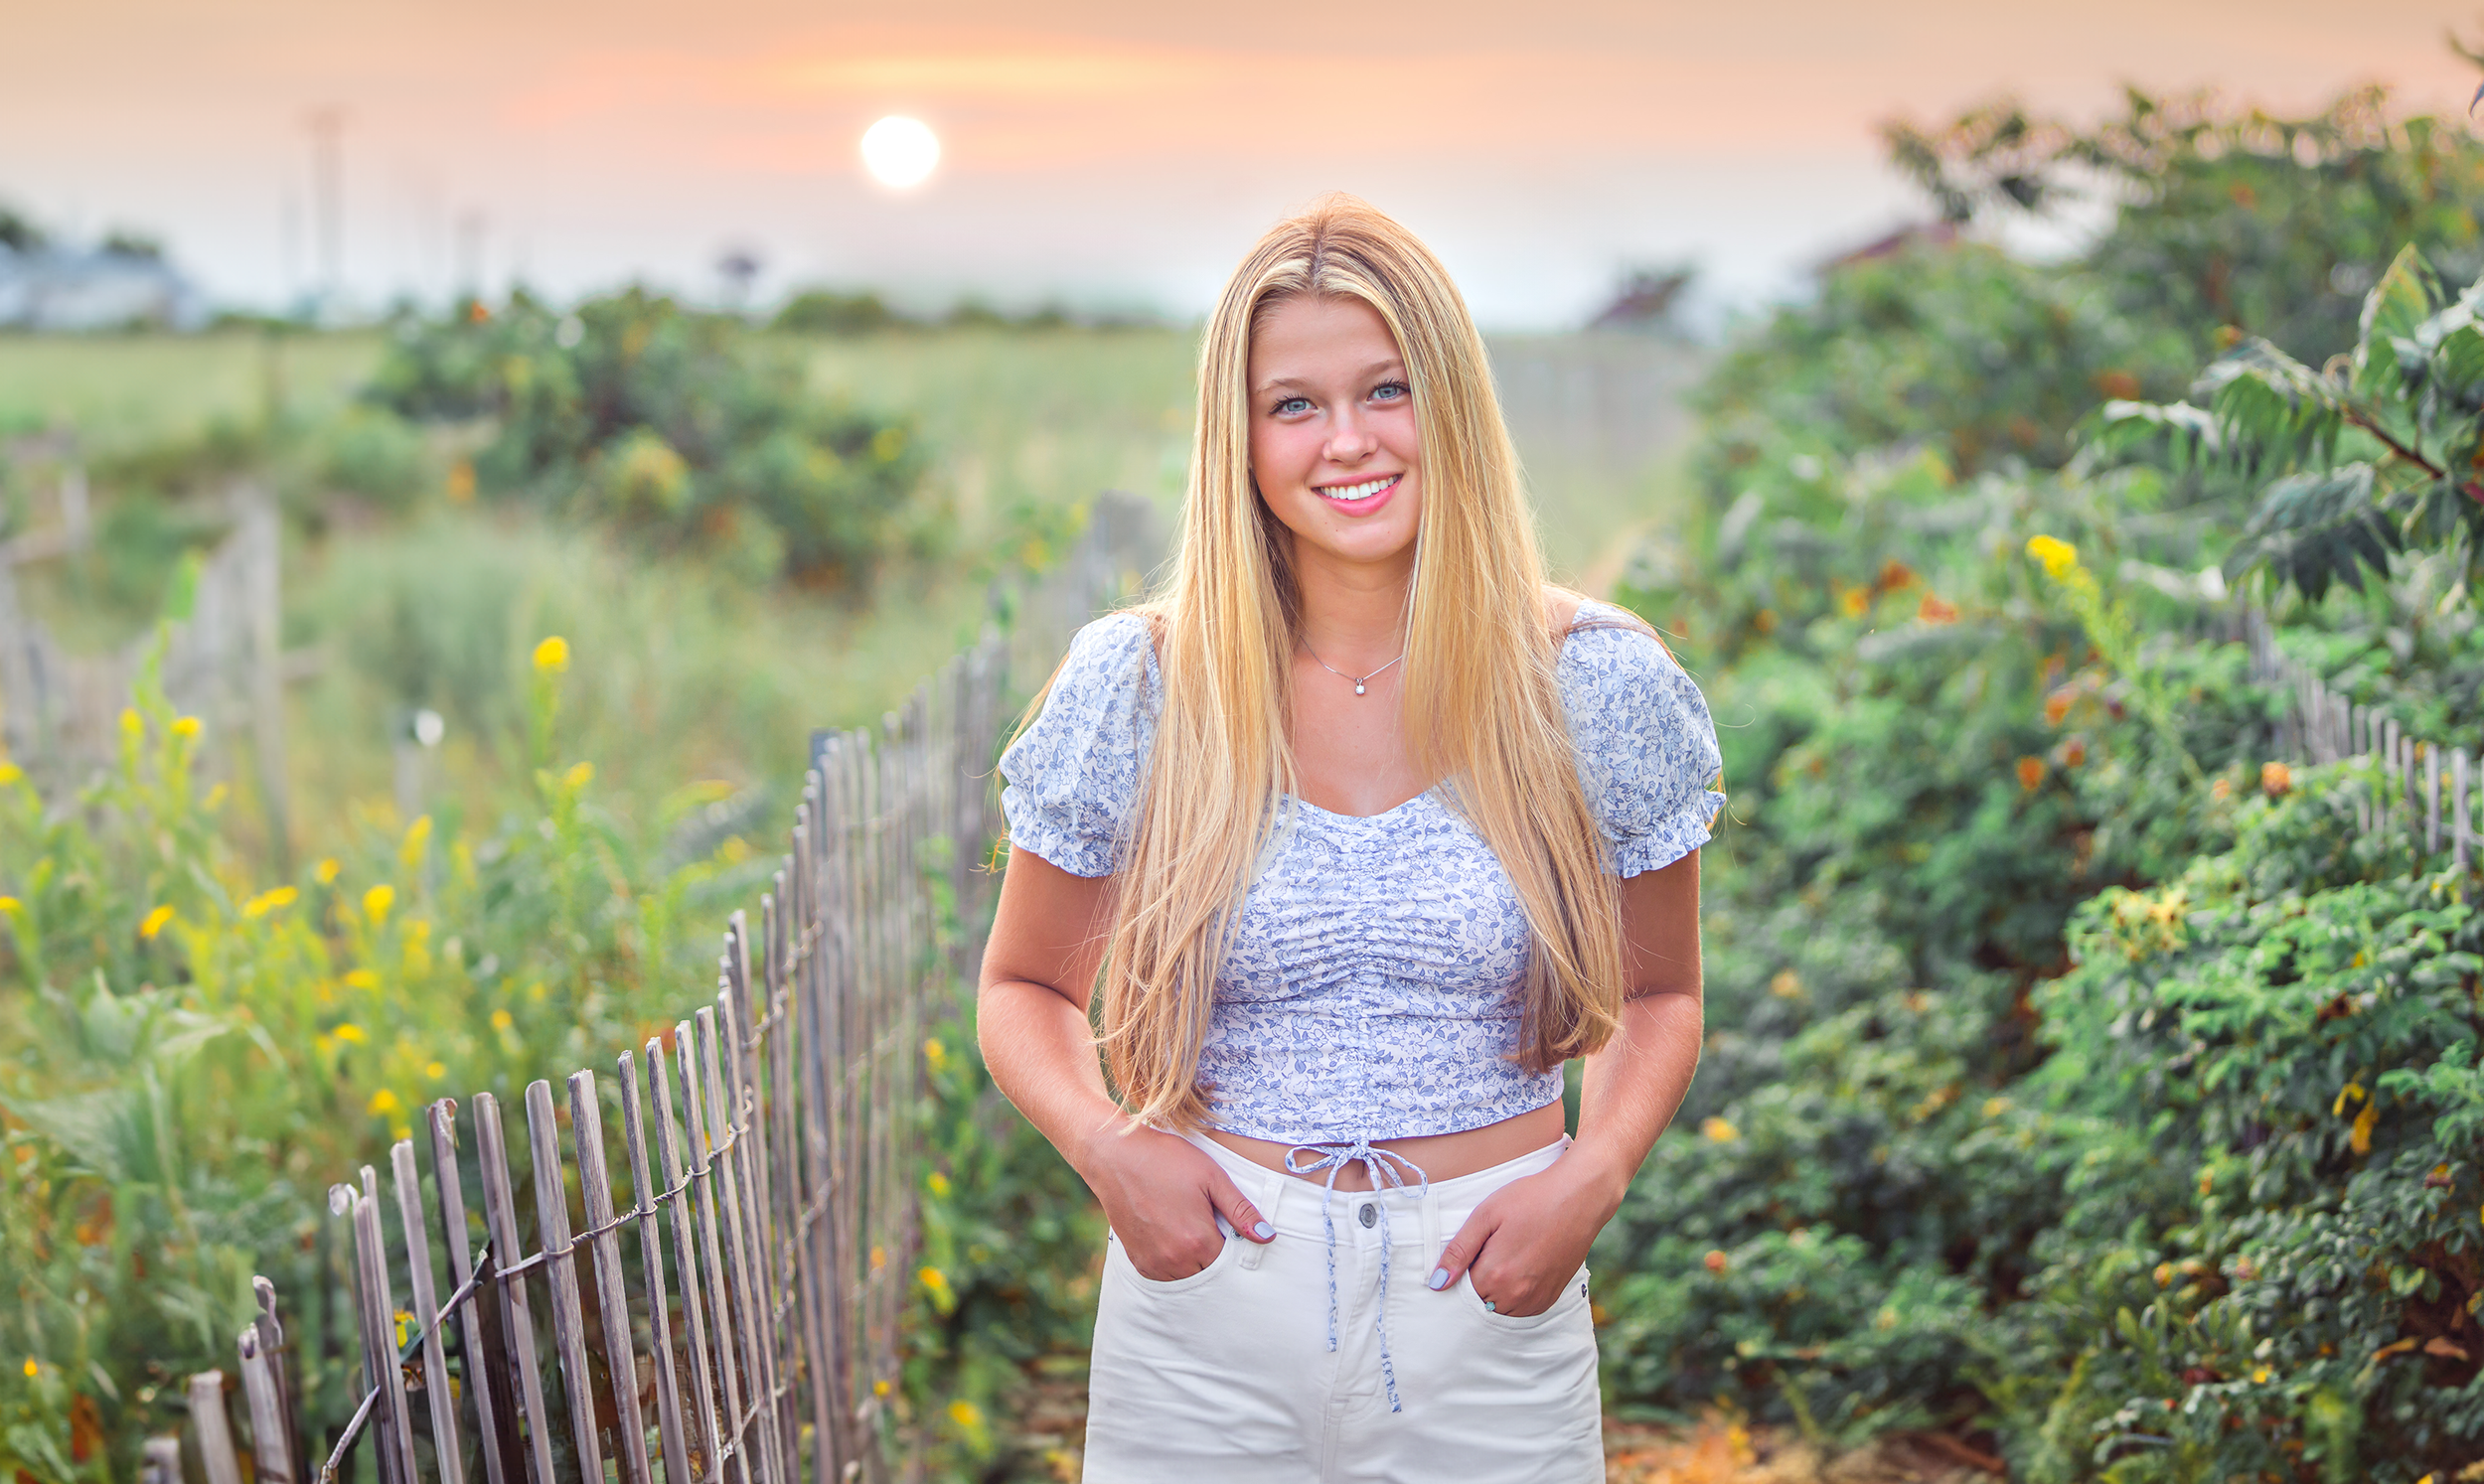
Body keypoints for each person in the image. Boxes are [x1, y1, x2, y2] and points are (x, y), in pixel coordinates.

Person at [976, 194, 1722, 1483]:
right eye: (1295, 404)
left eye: (1386, 389)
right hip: (1206, 1314)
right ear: (1242, 436)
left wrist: (1595, 1170)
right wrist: (1108, 1149)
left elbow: (1662, 990)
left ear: (1450, 403)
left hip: (1491, 1312)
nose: (1349, 441)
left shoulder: (1594, 681)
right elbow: (1024, 985)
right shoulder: (1144, 682)